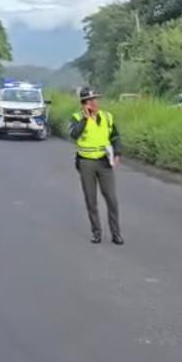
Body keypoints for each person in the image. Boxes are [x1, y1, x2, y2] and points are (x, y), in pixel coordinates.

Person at [69, 87, 124, 245]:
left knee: (112, 199)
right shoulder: (76, 117)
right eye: (91, 100)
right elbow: (74, 134)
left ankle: (116, 233)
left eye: (96, 99)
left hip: (104, 161)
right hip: (86, 162)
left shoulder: (107, 116)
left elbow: (115, 136)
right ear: (84, 103)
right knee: (91, 200)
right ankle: (96, 232)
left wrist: (117, 153)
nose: (95, 102)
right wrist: (85, 119)